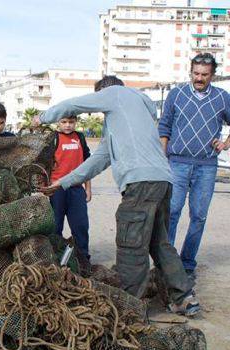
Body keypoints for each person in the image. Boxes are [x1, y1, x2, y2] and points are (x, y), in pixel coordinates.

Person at [33, 76, 198, 316]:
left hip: (140, 183)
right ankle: (183, 298)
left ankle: (129, 307)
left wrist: (42, 118)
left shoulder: (117, 93)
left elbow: (73, 105)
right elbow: (100, 159)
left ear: (104, 92)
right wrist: (63, 183)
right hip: (163, 180)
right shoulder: (122, 119)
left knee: (131, 245)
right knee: (158, 242)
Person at [159, 53, 230, 278]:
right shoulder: (176, 94)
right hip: (176, 163)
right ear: (191, 72)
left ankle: (187, 263)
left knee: (199, 216)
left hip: (207, 166)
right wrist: (162, 157)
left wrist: (227, 143)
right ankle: (166, 263)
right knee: (172, 212)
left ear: (212, 75)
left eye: (204, 75)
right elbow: (164, 126)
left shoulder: (222, 97)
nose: (199, 78)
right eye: (196, 73)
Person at [49, 115, 92, 266]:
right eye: (64, 122)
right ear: (58, 122)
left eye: (71, 122)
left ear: (76, 122)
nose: (67, 125)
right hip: (57, 191)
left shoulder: (79, 137)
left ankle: (83, 259)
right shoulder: (52, 139)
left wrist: (88, 188)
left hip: (76, 190)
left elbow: (88, 166)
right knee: (55, 227)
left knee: (80, 225)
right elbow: (44, 166)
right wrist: (47, 188)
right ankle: (56, 259)